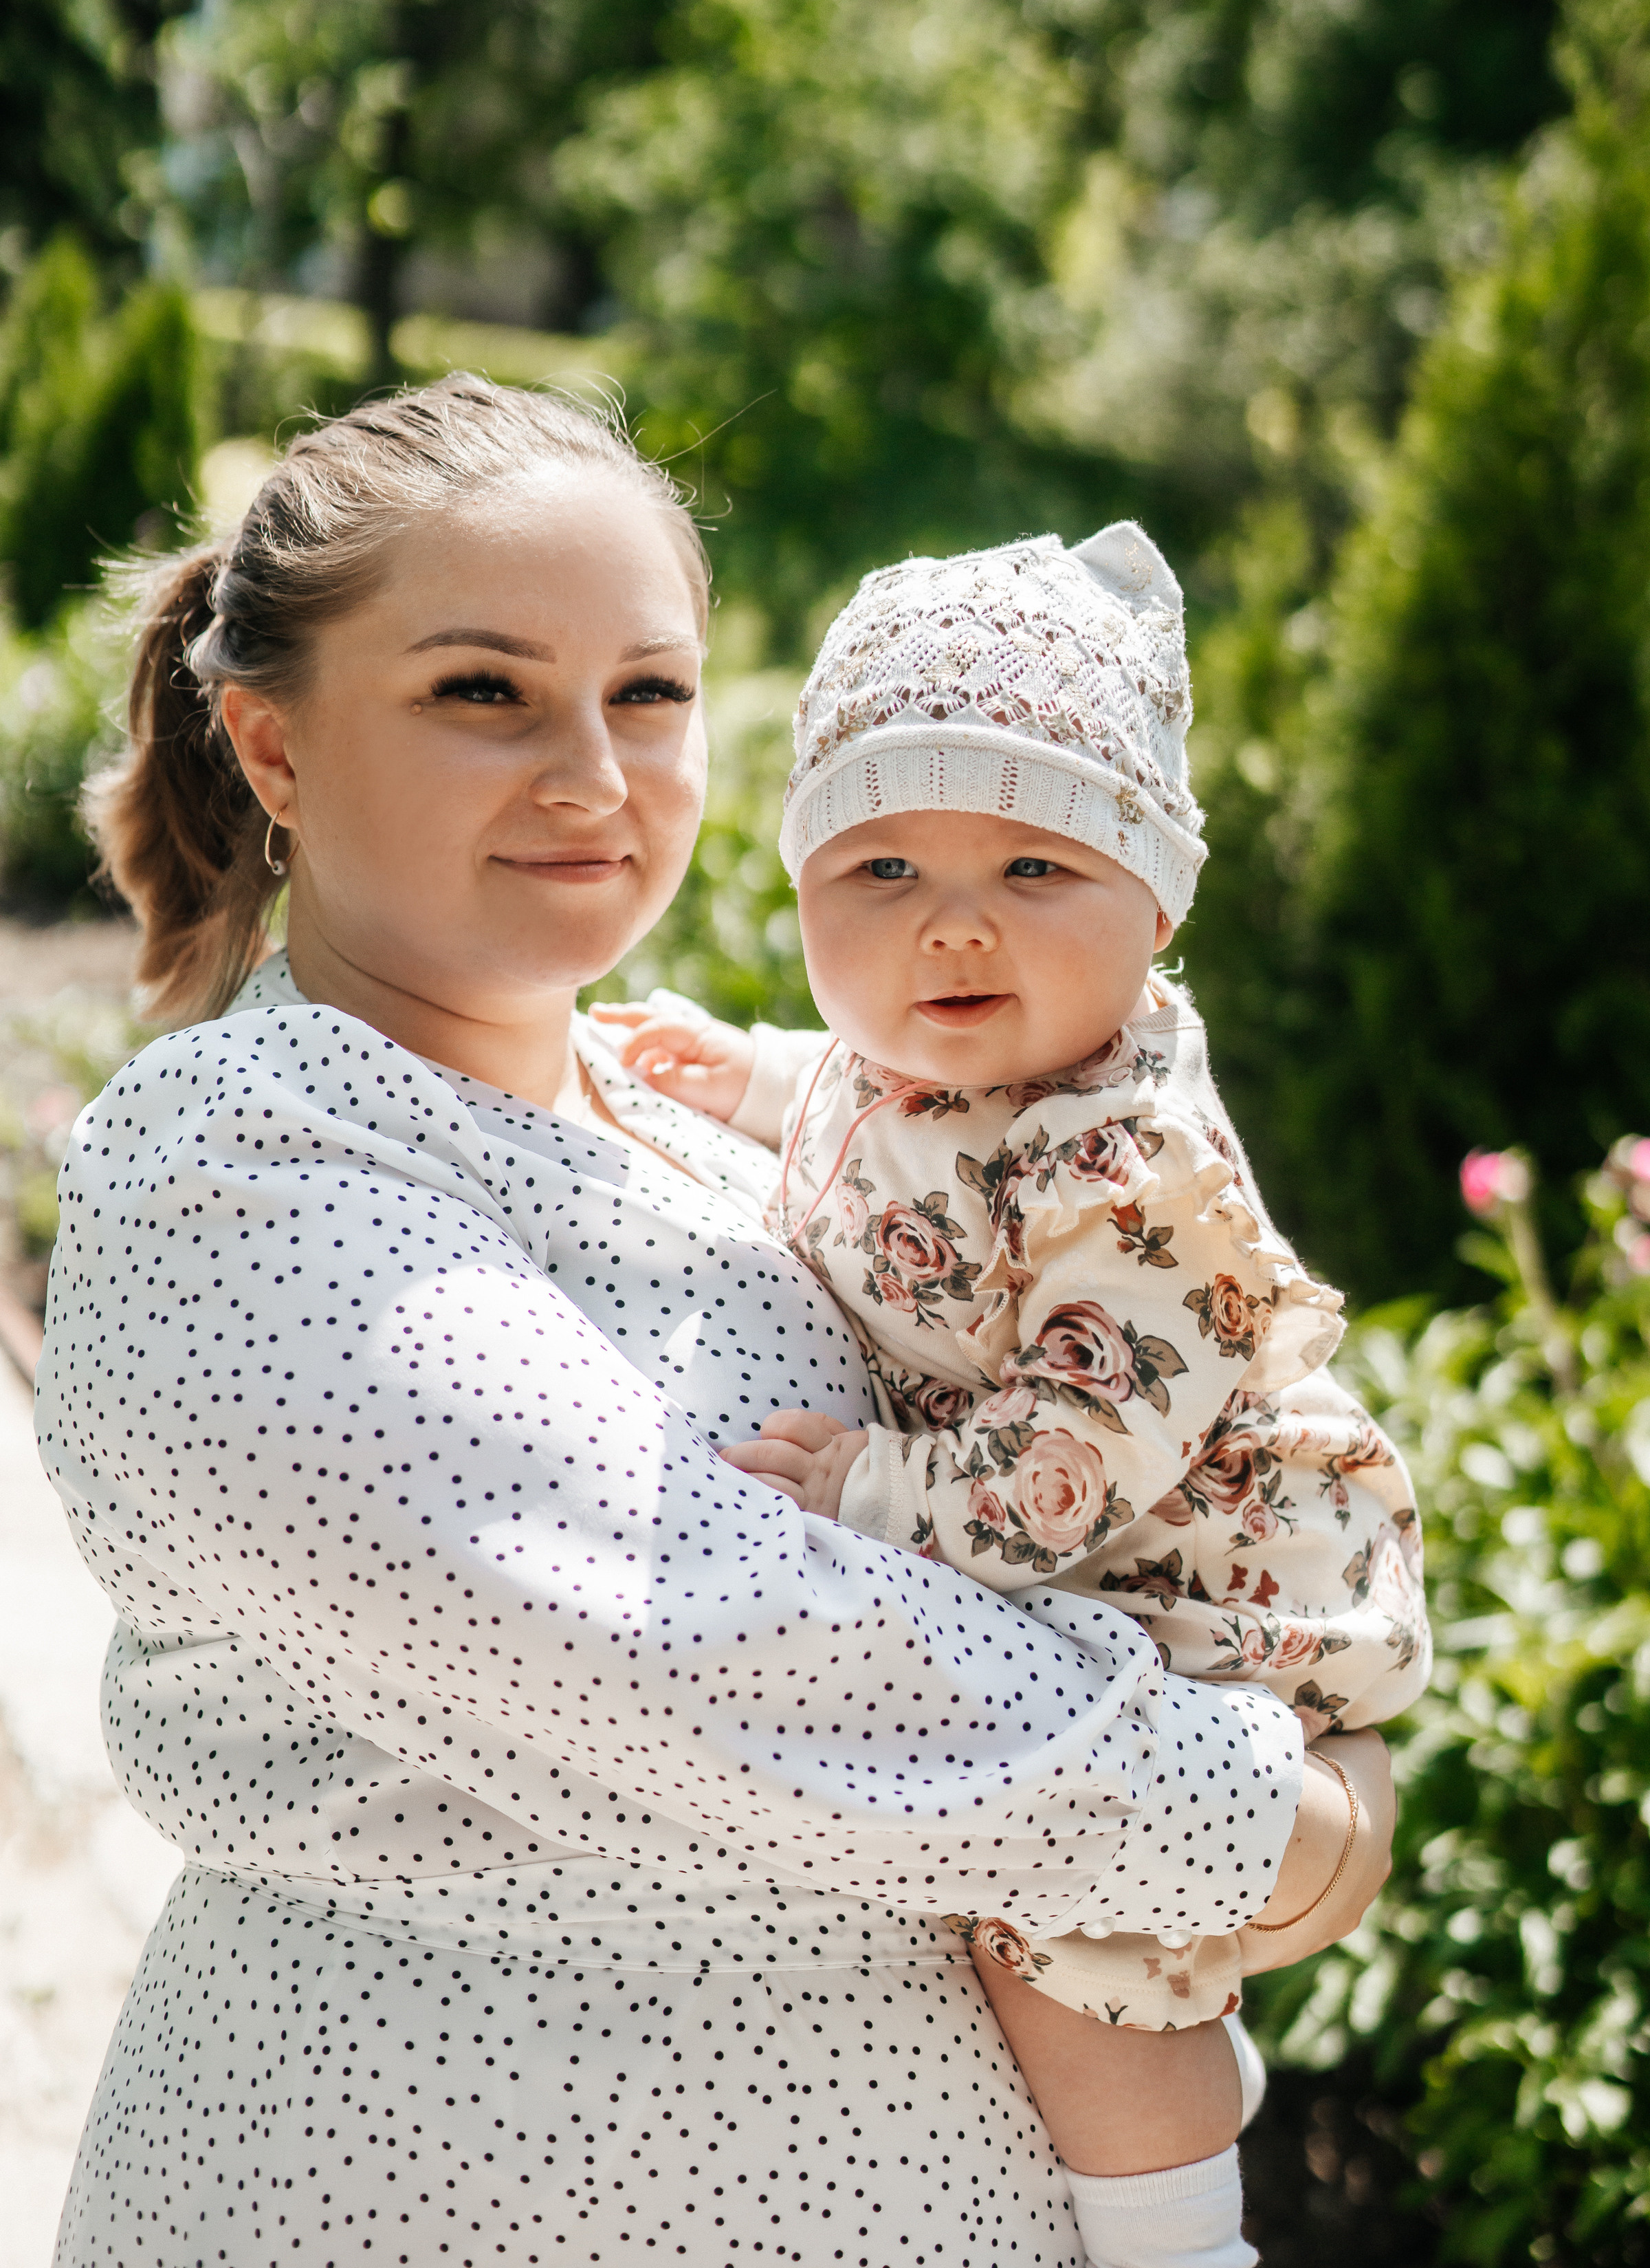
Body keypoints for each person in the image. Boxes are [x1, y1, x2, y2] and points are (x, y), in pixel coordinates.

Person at [36, 379, 1392, 2268]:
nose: (594, 776)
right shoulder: (235, 1167)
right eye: (485, 691)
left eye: (650, 692)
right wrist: (1287, 1823)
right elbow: (712, 1643)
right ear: (271, 745)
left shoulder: (725, 1120)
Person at [606, 522, 1429, 2268]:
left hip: (1192, 1574)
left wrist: (873, 1494)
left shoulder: (1134, 1172)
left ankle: (1179, 2233)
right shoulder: (928, 1057)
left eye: (1037, 865)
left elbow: (1079, 1452)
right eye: (883, 866)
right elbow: (883, 1119)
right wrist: (752, 1078)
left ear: (1160, 902)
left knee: (1070, 1946)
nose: (953, 922)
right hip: (1079, 1536)